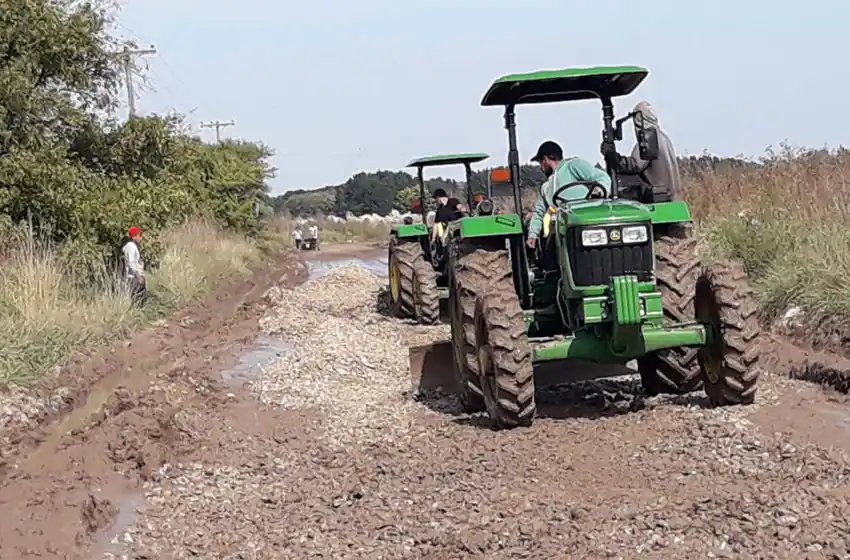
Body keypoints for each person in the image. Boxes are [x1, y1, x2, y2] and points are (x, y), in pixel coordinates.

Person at [526, 140, 612, 248]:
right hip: (561, 229)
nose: (541, 167)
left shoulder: (573, 165)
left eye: (540, 162)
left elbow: (602, 178)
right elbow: (539, 213)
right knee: (549, 249)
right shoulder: (546, 187)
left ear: (545, 159)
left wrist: (597, 192)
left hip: (586, 222)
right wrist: (533, 235)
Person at [602, 101, 682, 201]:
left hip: (659, 198)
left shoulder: (649, 139)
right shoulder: (664, 138)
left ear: (639, 119)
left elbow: (635, 165)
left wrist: (612, 157)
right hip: (672, 197)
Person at [121, 225, 146, 305]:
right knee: (137, 299)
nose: (141, 238)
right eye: (140, 235)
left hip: (135, 277)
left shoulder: (132, 246)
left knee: (140, 297)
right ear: (134, 236)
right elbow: (131, 263)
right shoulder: (131, 246)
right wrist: (138, 276)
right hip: (133, 278)